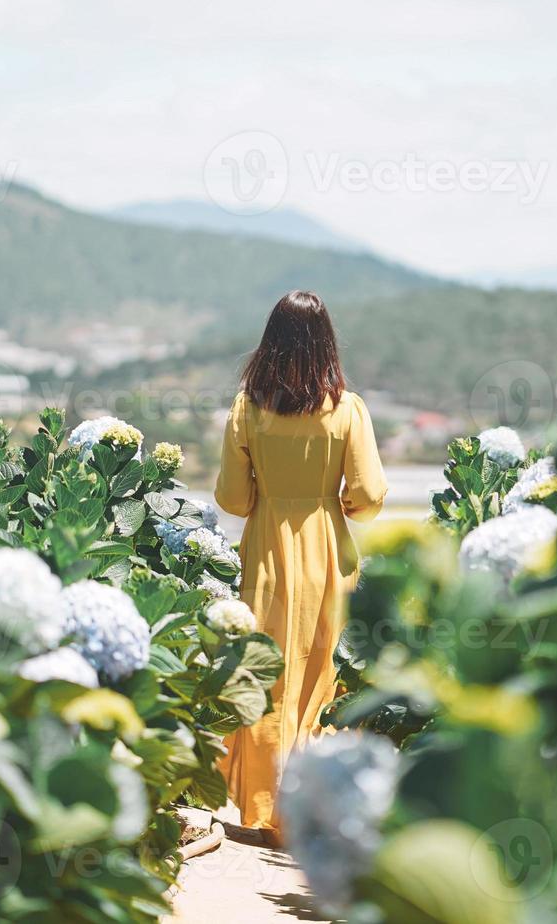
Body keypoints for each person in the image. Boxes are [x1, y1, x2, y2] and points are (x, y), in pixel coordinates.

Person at [214, 290, 388, 842]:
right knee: (324, 677)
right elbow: (368, 495)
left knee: (266, 676)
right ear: (327, 343)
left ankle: (265, 808)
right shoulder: (348, 408)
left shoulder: (247, 408)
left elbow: (233, 500)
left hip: (266, 551)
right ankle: (316, 813)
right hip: (329, 553)